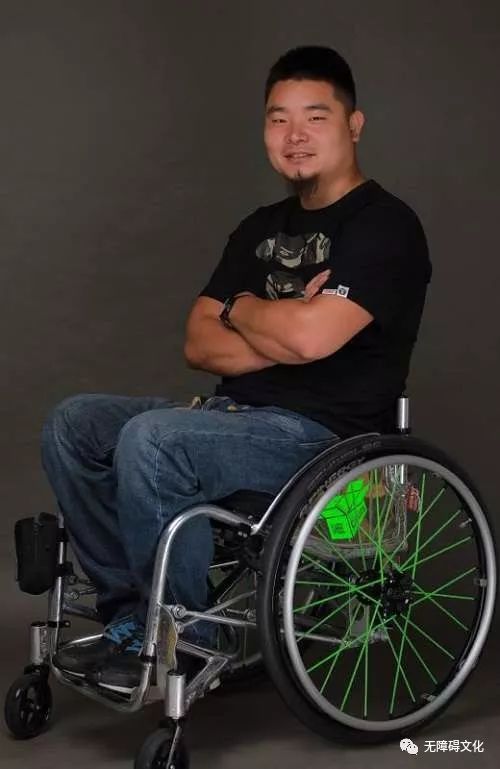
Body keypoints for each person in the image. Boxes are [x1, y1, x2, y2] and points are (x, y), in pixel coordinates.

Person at [42, 45, 431, 690]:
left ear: (354, 125)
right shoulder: (259, 229)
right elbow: (200, 343)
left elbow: (309, 340)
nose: (295, 135)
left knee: (154, 440)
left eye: (315, 117)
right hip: (227, 417)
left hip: (322, 442)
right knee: (73, 424)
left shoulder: (386, 227)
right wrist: (286, 320)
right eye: (279, 119)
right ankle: (133, 617)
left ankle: (189, 635)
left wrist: (243, 308)